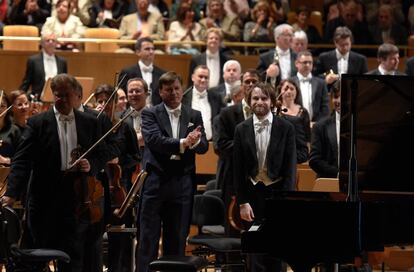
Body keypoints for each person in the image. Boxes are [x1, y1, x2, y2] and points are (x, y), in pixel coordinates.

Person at [1, 74, 108, 272]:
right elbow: (22, 160)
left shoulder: (90, 122)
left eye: (67, 96)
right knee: (39, 255)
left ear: (76, 95)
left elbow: (102, 153)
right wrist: (11, 193)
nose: (63, 101)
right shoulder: (38, 123)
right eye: (58, 96)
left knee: (73, 257)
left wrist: (90, 164)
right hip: (44, 199)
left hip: (77, 200)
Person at [137, 71, 208, 272]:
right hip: (156, 181)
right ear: (161, 92)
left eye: (177, 88)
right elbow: (154, 141)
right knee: (148, 239)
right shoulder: (150, 113)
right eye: (169, 90)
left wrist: (194, 143)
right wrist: (184, 142)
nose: (175, 93)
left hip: (182, 183)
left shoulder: (194, 114)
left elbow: (203, 146)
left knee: (177, 239)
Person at [233, 82, 296, 272]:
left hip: (277, 193)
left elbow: (290, 168)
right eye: (255, 98)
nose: (259, 102)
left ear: (272, 101)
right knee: (255, 252)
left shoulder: (286, 128)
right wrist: (242, 202)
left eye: (264, 98)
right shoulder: (241, 129)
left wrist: (286, 201)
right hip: (252, 196)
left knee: (277, 249)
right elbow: (237, 169)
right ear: (249, 101)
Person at [213, 69, 260, 235]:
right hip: (233, 177)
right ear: (242, 84)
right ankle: (231, 261)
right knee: (232, 228)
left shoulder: (266, 114)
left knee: (257, 230)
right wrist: (251, 147)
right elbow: (219, 146)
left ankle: (253, 262)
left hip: (259, 181)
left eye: (254, 81)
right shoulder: (226, 114)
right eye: (247, 82)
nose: (251, 85)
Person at [119, 37, 166, 106]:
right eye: (147, 49)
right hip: (133, 113)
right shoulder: (127, 72)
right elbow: (121, 94)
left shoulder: (162, 73)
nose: (151, 52)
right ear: (138, 52)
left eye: (153, 49)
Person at [182, 65, 224, 140]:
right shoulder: (183, 98)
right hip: (189, 144)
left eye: (206, 77)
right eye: (200, 76)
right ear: (193, 77)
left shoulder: (217, 98)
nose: (203, 80)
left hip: (211, 143)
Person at [20, 33, 68, 98]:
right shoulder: (33, 60)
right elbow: (27, 81)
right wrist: (19, 95)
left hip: (58, 98)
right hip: (38, 98)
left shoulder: (62, 61)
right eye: (48, 40)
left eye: (53, 40)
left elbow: (65, 82)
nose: (51, 42)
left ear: (56, 44)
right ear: (42, 43)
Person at [309, 80, 341, 178]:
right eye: (335, 97)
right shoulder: (320, 126)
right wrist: (339, 174)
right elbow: (314, 160)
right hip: (328, 182)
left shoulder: (362, 124)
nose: (339, 101)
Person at [290, 50, 330, 123]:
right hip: (295, 125)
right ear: (296, 63)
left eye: (310, 63)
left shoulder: (321, 83)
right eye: (305, 62)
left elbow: (325, 108)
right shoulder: (290, 82)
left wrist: (317, 124)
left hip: (316, 126)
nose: (308, 65)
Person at [257, 24, 297, 88]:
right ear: (277, 38)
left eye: (292, 35)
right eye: (288, 35)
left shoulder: (297, 57)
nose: (291, 38)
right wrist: (268, 74)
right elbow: (258, 77)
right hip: (273, 93)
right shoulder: (265, 57)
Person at [278, 79, 311, 143]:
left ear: (296, 91)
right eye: (286, 89)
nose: (289, 91)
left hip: (300, 150)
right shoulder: (276, 110)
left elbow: (308, 137)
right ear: (280, 91)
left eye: (292, 89)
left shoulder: (303, 111)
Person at [0, 94, 21, 166]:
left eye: (2, 106)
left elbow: (21, 157)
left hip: (8, 173)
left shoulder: (14, 130)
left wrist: (6, 160)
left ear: (7, 108)